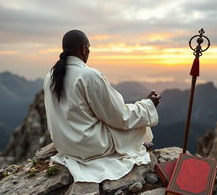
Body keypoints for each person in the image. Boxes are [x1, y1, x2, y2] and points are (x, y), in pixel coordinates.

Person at [43, 29, 161, 183]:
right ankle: (138, 146)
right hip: (89, 146)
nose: (89, 51)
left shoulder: (51, 75)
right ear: (84, 48)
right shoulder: (89, 75)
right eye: (89, 47)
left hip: (64, 145)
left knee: (125, 122)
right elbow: (119, 117)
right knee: (138, 125)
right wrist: (148, 105)